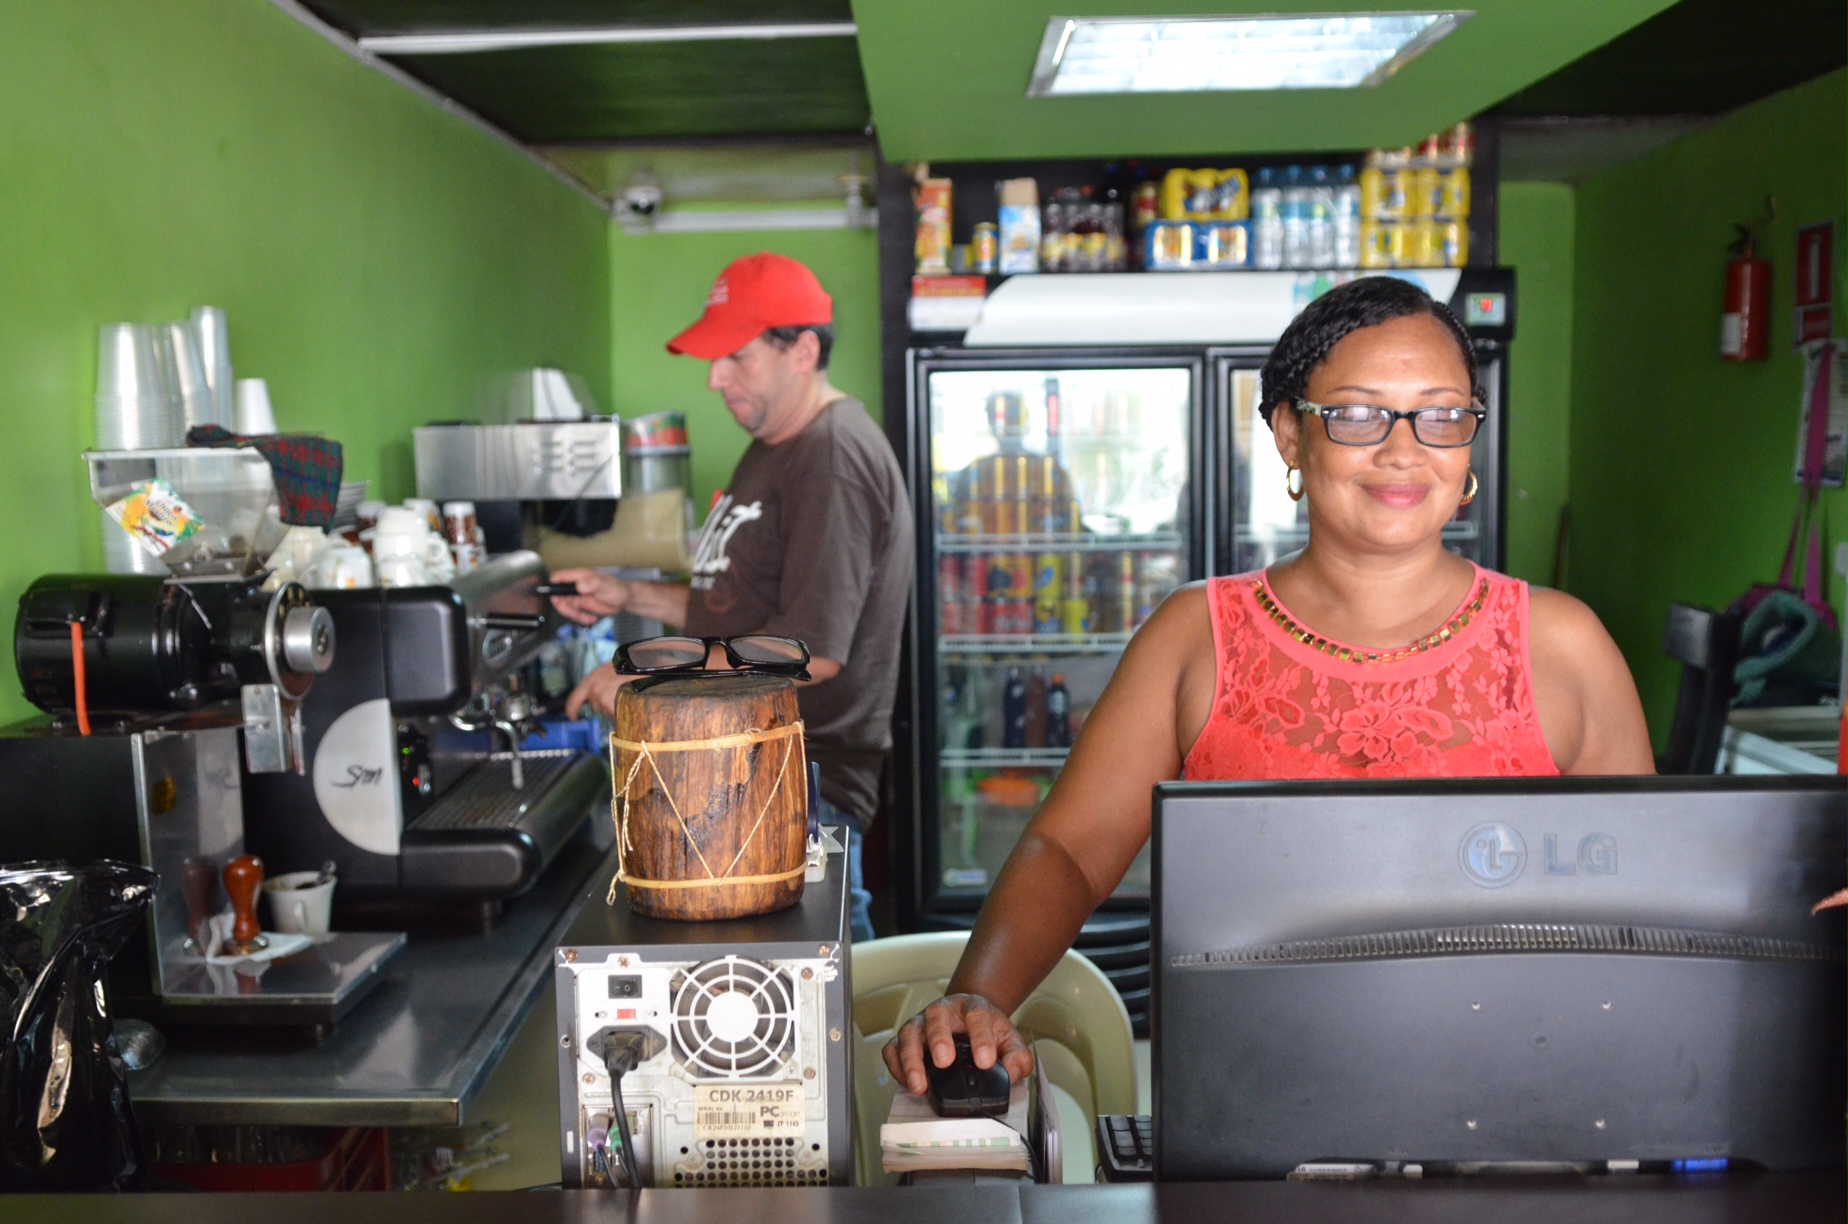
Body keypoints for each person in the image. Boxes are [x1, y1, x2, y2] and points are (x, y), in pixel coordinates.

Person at [884, 275, 1654, 1095]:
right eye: (1358, 414)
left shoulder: (1563, 646)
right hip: (1250, 1102)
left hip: (1518, 1101)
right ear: (1291, 433)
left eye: (1441, 414)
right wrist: (979, 995)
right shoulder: (1195, 636)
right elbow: (1068, 850)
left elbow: (1647, 901)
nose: (1405, 450)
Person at [549, 253, 913, 945]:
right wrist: (628, 593)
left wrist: (648, 669)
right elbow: (732, 606)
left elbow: (811, 654)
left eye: (736, 357)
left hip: (800, 784)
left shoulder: (829, 458)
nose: (715, 379)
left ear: (802, 350)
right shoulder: (776, 444)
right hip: (745, 771)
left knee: (821, 1016)